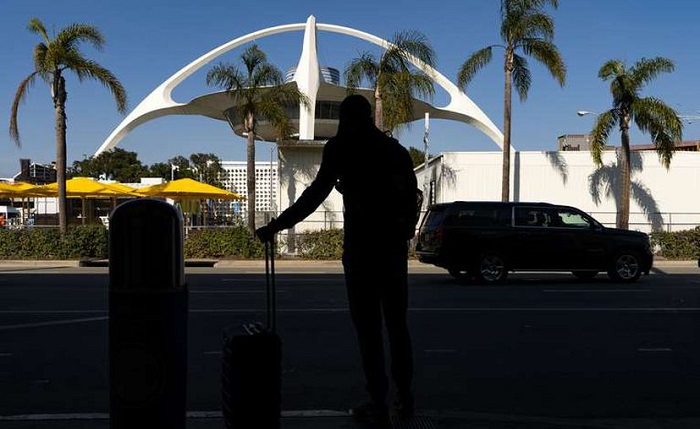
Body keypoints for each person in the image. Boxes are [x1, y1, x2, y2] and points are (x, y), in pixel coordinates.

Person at [256, 94, 419, 427]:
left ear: (345, 120)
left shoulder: (341, 148)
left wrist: (277, 226)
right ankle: (404, 397)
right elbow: (411, 197)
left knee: (369, 330)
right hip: (392, 250)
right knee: (397, 327)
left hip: (360, 251)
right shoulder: (394, 151)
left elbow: (314, 195)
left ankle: (378, 398)